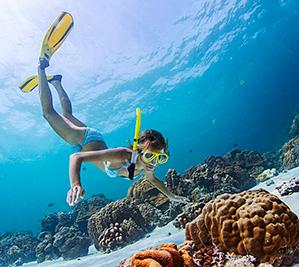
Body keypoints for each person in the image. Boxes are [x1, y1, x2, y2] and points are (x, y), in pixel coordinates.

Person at [37, 57, 188, 206]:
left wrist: (172, 196)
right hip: (86, 140)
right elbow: (76, 157)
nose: (154, 163)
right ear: (138, 151)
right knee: (48, 113)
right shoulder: (123, 155)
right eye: (150, 156)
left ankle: (56, 81)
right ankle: (41, 67)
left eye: (160, 158)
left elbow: (153, 179)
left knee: (68, 116)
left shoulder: (146, 167)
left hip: (94, 141)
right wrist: (75, 184)